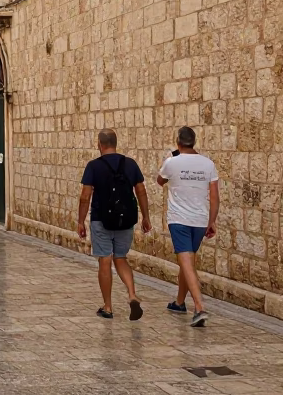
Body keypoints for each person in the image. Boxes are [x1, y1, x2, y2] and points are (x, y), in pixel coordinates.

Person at [78, 129, 151, 320]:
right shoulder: (130, 164)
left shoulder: (93, 166)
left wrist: (80, 221)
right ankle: (132, 295)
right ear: (115, 143)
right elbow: (141, 191)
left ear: (100, 144)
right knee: (121, 258)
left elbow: (85, 196)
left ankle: (108, 307)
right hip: (125, 220)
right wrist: (146, 217)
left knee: (105, 260)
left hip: (101, 220)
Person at [158, 126, 219, 327]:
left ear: (178, 142)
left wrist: (171, 158)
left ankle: (199, 308)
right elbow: (215, 197)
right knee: (188, 263)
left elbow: (160, 181)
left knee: (187, 263)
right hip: (200, 221)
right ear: (194, 142)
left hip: (179, 220)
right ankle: (179, 303)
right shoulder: (208, 164)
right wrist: (211, 221)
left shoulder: (171, 162)